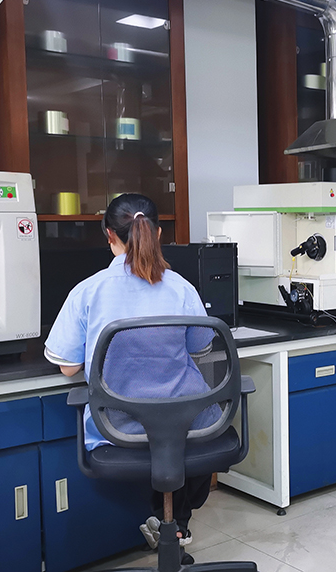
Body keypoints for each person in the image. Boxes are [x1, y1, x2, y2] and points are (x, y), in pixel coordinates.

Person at [44, 193, 217, 561]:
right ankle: (175, 520)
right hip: (188, 424)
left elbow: (67, 366)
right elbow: (200, 346)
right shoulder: (181, 288)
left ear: (109, 234)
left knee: (166, 443)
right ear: (158, 233)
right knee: (199, 436)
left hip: (120, 428)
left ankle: (166, 521)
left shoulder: (88, 291)